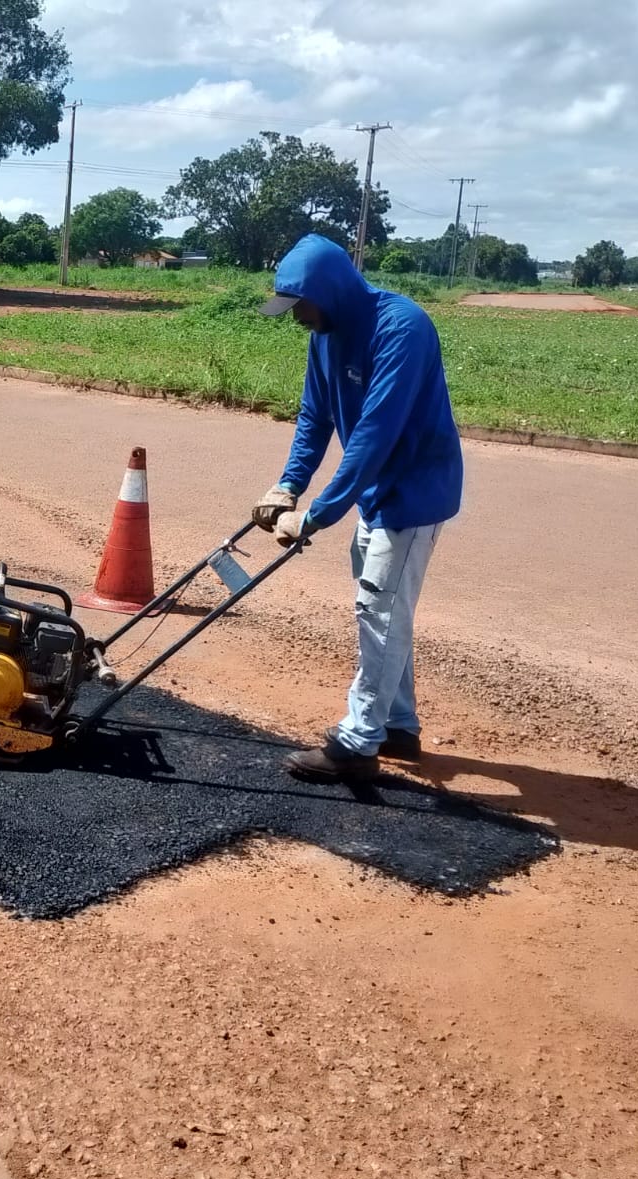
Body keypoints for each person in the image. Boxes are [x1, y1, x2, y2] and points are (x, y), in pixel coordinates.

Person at [253, 233, 464, 783]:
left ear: (329, 291)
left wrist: (316, 515)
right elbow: (314, 416)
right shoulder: (325, 334)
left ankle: (357, 742)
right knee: (384, 609)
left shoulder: (402, 328)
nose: (296, 316)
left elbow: (374, 434)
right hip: (373, 493)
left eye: (300, 304)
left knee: (378, 611)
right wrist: (287, 487)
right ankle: (398, 725)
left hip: (414, 492)